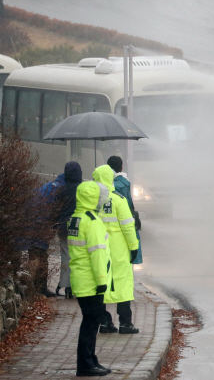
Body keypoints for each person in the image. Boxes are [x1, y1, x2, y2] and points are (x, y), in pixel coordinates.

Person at [67, 181, 112, 377]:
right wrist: (102, 280)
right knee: (91, 322)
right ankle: (86, 364)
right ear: (93, 198)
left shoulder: (76, 218)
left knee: (90, 320)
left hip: (80, 277)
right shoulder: (92, 221)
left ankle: (90, 360)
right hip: (92, 280)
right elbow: (97, 254)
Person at [92, 165, 139, 334]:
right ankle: (125, 323)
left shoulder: (90, 200)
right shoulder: (118, 199)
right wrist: (134, 247)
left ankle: (104, 322)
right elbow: (128, 226)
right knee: (123, 283)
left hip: (97, 248)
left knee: (100, 283)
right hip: (118, 249)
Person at [107, 156, 142, 264]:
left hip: (114, 229)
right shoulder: (124, 183)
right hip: (123, 226)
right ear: (121, 167)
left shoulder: (111, 185)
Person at [56, 161, 83, 298]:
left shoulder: (61, 190)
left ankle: (67, 287)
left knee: (66, 257)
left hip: (63, 227)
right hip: (79, 228)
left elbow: (56, 210)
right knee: (79, 257)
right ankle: (78, 285)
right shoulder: (83, 189)